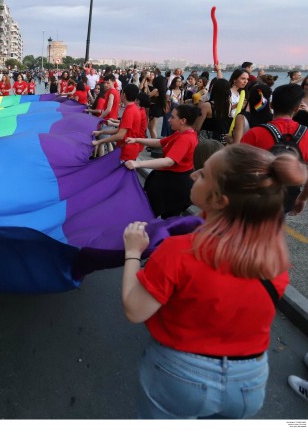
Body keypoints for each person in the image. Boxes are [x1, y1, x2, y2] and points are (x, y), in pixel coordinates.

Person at [122, 144, 305, 419]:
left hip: (181, 376)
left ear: (221, 201)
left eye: (205, 175)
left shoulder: (179, 252)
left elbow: (135, 309)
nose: (194, 174)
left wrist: (133, 253)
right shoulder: (276, 262)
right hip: (250, 381)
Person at [241, 83, 308, 214]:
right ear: (296, 109)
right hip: (287, 198)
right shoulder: (306, 134)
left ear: (271, 105)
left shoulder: (255, 133)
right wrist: (302, 198)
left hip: (256, 198)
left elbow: (239, 168)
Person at [124, 104, 199, 218]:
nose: (169, 120)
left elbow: (169, 161)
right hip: (171, 180)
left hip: (175, 184)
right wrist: (136, 139)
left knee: (153, 214)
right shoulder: (182, 133)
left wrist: (138, 163)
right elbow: (159, 142)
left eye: (173, 117)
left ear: (183, 120)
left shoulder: (185, 138)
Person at [92, 84, 142, 161]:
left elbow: (120, 135)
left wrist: (99, 141)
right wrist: (101, 132)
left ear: (124, 94)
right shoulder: (132, 108)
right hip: (127, 149)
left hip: (126, 151)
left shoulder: (129, 111)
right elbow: (120, 129)